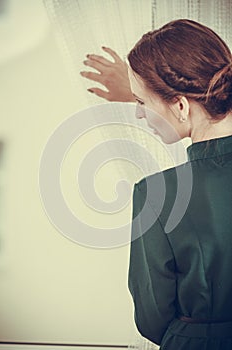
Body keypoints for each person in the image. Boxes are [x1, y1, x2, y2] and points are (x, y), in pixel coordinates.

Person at [81, 19, 232, 349]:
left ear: (179, 105)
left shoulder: (156, 195)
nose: (138, 114)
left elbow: (152, 317)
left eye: (140, 103)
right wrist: (147, 88)